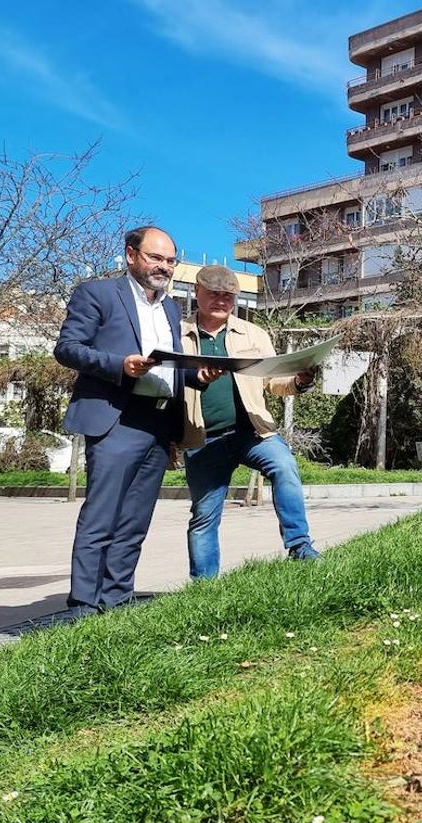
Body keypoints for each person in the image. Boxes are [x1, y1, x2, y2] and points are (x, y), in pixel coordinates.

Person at [55, 225, 219, 615]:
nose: (164, 267)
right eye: (155, 257)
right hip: (117, 419)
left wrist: (197, 375)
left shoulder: (170, 307)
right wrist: (119, 365)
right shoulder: (96, 294)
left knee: (134, 520)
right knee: (102, 515)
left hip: (159, 423)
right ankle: (83, 603)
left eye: (170, 260)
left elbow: (168, 366)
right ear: (131, 256)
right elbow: (67, 348)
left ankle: (116, 598)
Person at [180, 265, 321, 579]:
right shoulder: (176, 333)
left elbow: (273, 380)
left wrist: (298, 381)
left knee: (285, 467)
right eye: (214, 293)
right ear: (196, 292)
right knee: (203, 515)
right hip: (203, 439)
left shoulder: (253, 333)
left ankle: (299, 546)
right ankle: (204, 588)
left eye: (228, 295)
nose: (221, 300)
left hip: (254, 432)